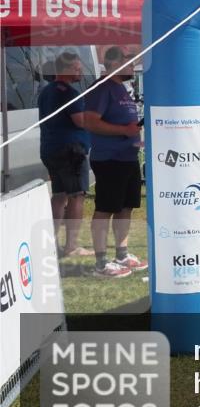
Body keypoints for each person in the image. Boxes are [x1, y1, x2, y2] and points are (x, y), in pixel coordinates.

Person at [83, 47, 146, 278]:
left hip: (127, 157)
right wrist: (124, 130)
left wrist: (134, 134)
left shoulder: (122, 89)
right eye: (128, 61)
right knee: (105, 208)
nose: (132, 65)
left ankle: (122, 254)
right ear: (113, 63)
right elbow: (90, 122)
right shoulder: (102, 88)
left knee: (125, 207)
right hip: (109, 159)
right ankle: (101, 263)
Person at [38, 51, 93, 257]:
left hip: (50, 149)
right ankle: (71, 246)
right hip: (71, 151)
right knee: (77, 195)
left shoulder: (46, 91)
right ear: (65, 70)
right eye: (77, 68)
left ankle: (52, 243)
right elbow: (81, 121)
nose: (80, 72)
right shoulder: (69, 93)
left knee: (59, 196)